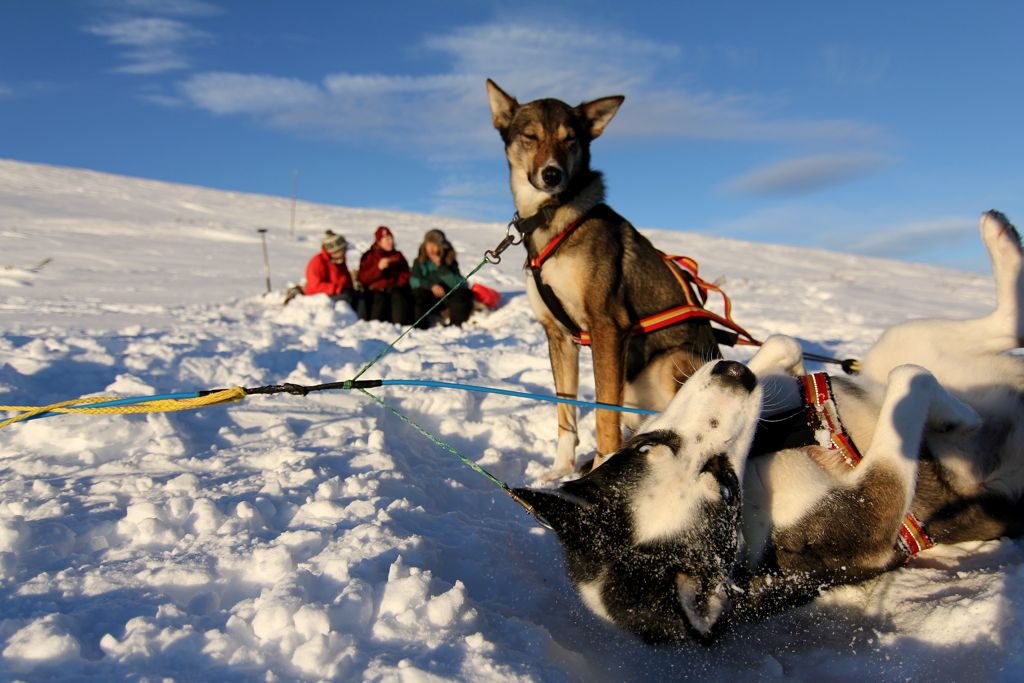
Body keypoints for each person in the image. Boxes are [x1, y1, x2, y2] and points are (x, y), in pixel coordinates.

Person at [410, 229, 473, 327]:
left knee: (462, 294)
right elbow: (414, 281)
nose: (432, 249)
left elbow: (459, 283)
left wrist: (441, 267)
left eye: (435, 245)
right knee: (418, 295)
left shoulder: (449, 261)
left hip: (447, 298)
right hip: (428, 298)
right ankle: (420, 326)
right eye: (429, 245)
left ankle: (455, 326)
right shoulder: (419, 262)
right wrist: (431, 286)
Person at [357, 226, 412, 324]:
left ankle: (400, 326)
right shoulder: (370, 256)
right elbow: (363, 278)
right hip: (376, 292)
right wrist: (378, 269)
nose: (390, 241)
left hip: (395, 291)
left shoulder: (398, 256)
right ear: (379, 241)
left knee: (398, 296)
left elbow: (405, 273)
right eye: (386, 239)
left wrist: (398, 284)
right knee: (379, 299)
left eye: (391, 238)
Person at [303, 230, 360, 311]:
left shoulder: (339, 262)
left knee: (358, 297)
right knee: (346, 299)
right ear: (334, 251)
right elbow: (316, 285)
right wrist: (339, 289)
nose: (344, 253)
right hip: (318, 297)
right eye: (341, 250)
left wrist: (349, 288)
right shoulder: (317, 261)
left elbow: (345, 279)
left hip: (336, 293)